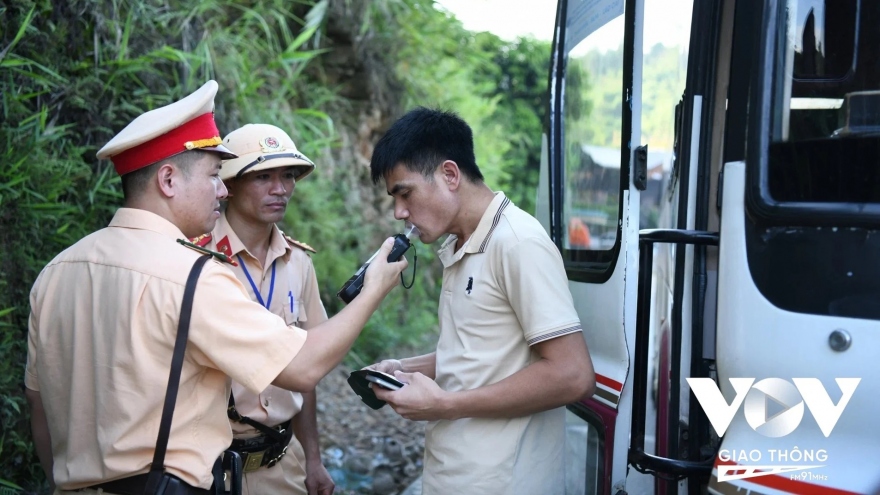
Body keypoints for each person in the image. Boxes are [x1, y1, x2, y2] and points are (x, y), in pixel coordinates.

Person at [24, 80, 406, 494]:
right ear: (168, 180)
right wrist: (374, 290)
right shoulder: (192, 274)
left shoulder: (56, 272)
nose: (222, 190)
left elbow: (39, 406)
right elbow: (303, 368)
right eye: (212, 175)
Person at [366, 108, 596, 494]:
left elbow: (573, 375)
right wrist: (402, 367)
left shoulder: (518, 243)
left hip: (504, 481)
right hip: (455, 475)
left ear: (450, 175)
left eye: (405, 193)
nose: (399, 212)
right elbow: (481, 356)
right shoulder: (462, 244)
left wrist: (445, 405)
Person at [190, 124, 333, 494]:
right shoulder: (195, 259)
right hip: (206, 470)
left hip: (283, 464)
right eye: (263, 176)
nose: (281, 189)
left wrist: (314, 461)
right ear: (230, 184)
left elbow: (308, 367)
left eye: (288, 176)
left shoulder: (299, 263)